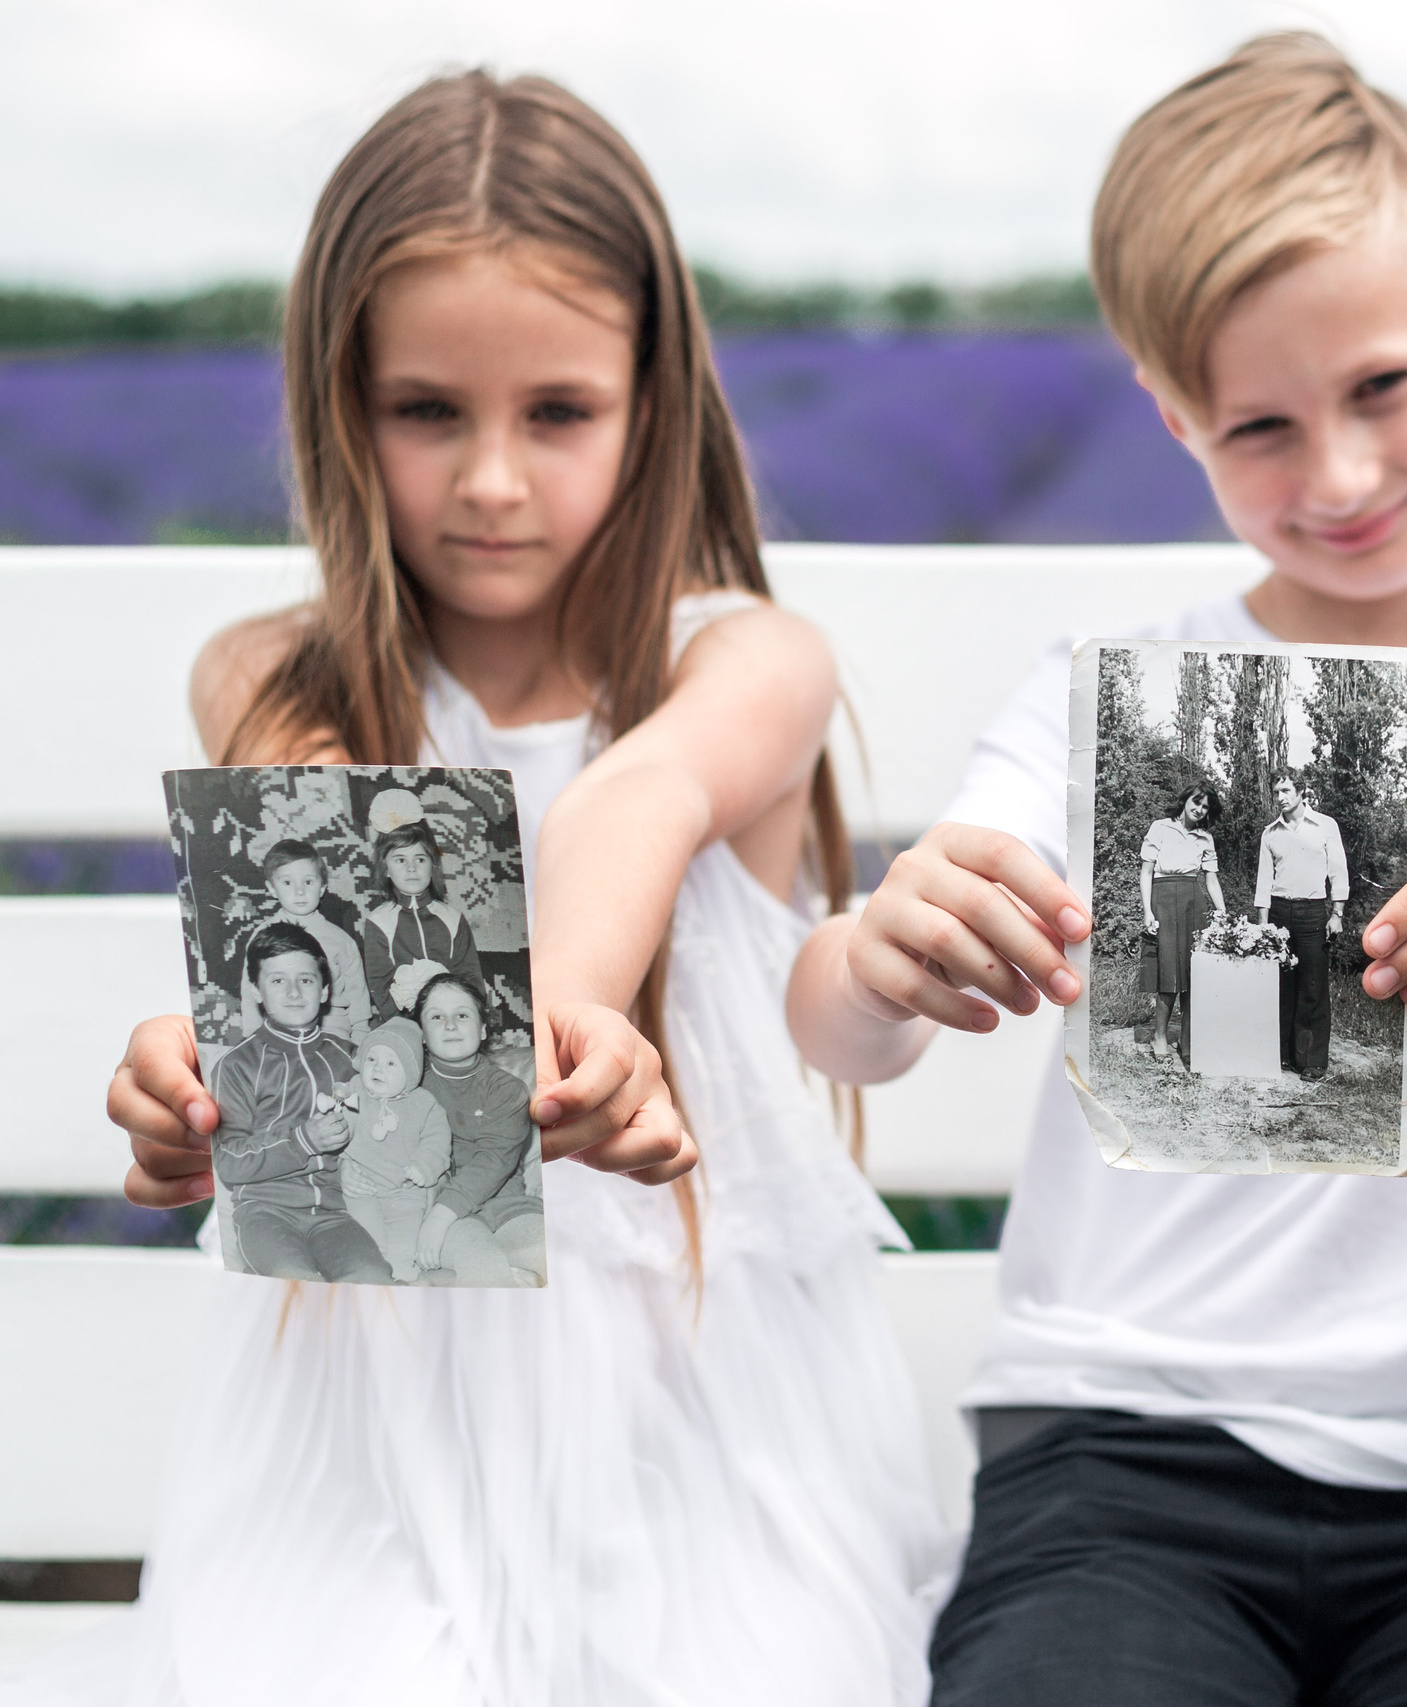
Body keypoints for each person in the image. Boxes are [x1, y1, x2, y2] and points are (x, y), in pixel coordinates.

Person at [788, 35, 1407, 1707]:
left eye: (1385, 391)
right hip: (1124, 1467)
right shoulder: (1102, 695)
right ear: (1170, 412)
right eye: (1260, 425)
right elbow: (844, 1027)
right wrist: (883, 952)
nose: (1337, 476)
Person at [50, 70, 949, 1705]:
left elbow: (638, 799)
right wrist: (198, 1081)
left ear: (651, 400)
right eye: (426, 411)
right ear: (341, 404)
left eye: (556, 413)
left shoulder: (742, 662)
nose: (489, 483)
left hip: (694, 1417)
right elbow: (319, 879)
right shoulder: (270, 674)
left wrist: (566, 1021)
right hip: (370, 1420)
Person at [207, 921, 392, 1284]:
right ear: (257, 991)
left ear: (324, 991)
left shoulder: (353, 1059)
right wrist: (302, 1141)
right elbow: (227, 1161)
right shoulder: (236, 1065)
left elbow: (390, 1120)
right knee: (296, 1283)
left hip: (337, 1215)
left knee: (373, 1280)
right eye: (277, 980)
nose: (293, 992)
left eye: (306, 980)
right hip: (265, 1213)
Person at [407, 971, 544, 1286]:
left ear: (483, 1029)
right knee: (481, 1260)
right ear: (422, 1035)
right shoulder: (410, 1089)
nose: (451, 1024)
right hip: (450, 1222)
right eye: (437, 1016)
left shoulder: (508, 1089)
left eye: (462, 1015)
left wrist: (442, 1214)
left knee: (552, 1254)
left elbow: (495, 1159)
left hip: (509, 1208)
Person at [334, 1014, 452, 1283]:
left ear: (410, 1072)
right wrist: (341, 1159)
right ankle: (375, 1277)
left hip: (405, 1190)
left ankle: (402, 1277)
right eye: (372, 1059)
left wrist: (425, 1166)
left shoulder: (424, 1103)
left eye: (390, 1063)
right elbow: (337, 1129)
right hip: (363, 1187)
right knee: (369, 1238)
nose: (378, 1069)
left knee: (406, 1240)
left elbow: (437, 1140)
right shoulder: (354, 1092)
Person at [1253, 772, 1349, 1078]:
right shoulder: (1270, 833)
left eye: (1285, 790)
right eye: (1276, 792)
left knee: (1312, 987)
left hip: (1312, 913)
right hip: (1280, 912)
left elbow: (1338, 871)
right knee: (1281, 986)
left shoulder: (1325, 826)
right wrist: (1264, 925)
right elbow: (1264, 882)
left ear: (1300, 792)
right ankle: (1281, 1054)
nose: (1280, 797)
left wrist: (1337, 913)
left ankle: (1312, 1061)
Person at [238, 837, 368, 1040]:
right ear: (272, 889)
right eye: (288, 882)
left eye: (308, 881)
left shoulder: (341, 940)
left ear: (322, 887)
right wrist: (252, 1038)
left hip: (332, 1030)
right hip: (279, 1030)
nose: (300, 891)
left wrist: (360, 1035)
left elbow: (357, 993)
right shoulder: (262, 936)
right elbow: (250, 991)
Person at [359, 812, 484, 1020]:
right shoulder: (379, 922)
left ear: (433, 865)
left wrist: (471, 1016)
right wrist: (399, 1023)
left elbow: (470, 976)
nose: (411, 868)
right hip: (402, 1019)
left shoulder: (453, 918)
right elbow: (379, 983)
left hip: (449, 1015)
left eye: (420, 859)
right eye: (400, 860)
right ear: (386, 869)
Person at [1137, 782, 1226, 1062]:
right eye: (1196, 802)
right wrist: (1147, 913)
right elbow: (1146, 872)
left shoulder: (1205, 838)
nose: (1199, 809)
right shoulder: (1160, 828)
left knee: (1193, 973)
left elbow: (1210, 879)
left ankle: (1186, 1041)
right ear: (1185, 799)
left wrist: (1222, 912)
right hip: (1163, 900)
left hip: (1192, 902)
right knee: (1168, 972)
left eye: (1205, 806)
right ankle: (1159, 1037)